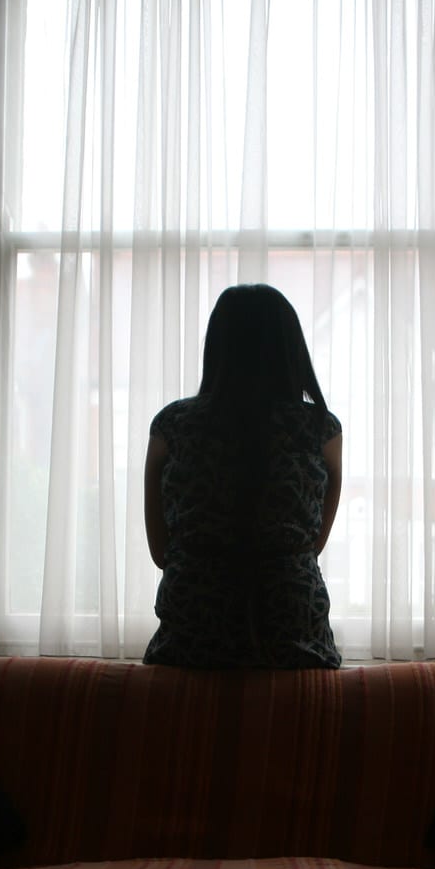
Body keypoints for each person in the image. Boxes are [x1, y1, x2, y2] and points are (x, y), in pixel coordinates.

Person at [142, 284, 342, 669]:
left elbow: (160, 551)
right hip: (292, 624)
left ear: (216, 348)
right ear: (290, 350)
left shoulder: (171, 426)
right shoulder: (321, 429)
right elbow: (312, 546)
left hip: (194, 622)